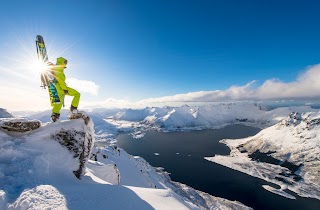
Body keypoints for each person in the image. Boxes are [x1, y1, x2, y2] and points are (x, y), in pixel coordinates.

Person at [50, 57, 81, 122]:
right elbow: (61, 81)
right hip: (61, 88)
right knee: (77, 94)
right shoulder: (59, 69)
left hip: (56, 88)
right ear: (62, 62)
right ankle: (73, 109)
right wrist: (65, 89)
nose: (66, 64)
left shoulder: (56, 68)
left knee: (59, 103)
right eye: (65, 62)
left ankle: (54, 116)